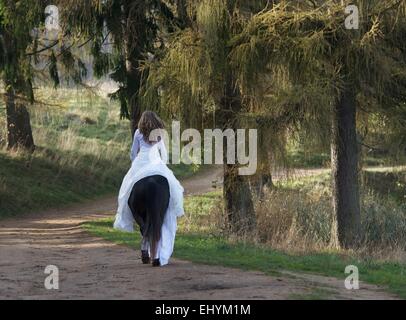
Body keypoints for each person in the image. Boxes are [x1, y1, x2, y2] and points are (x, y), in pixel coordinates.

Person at [114, 111, 184, 266]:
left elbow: (133, 153)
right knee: (171, 198)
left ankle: (145, 245)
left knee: (125, 194)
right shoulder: (159, 134)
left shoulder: (138, 133)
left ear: (143, 122)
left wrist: (135, 167)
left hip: (141, 164)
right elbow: (164, 155)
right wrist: (162, 167)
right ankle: (157, 255)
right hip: (156, 164)